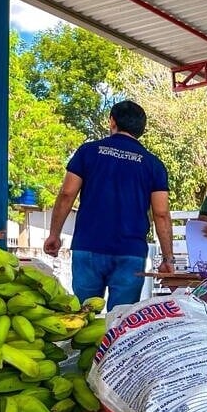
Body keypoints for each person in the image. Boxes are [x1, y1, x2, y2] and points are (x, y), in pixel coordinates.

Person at [44, 100, 174, 310]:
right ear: (141, 129)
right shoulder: (153, 164)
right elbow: (161, 213)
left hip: (88, 247)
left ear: (112, 121)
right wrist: (168, 258)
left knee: (83, 316)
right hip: (130, 252)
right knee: (120, 320)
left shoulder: (88, 152)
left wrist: (54, 234)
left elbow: (67, 193)